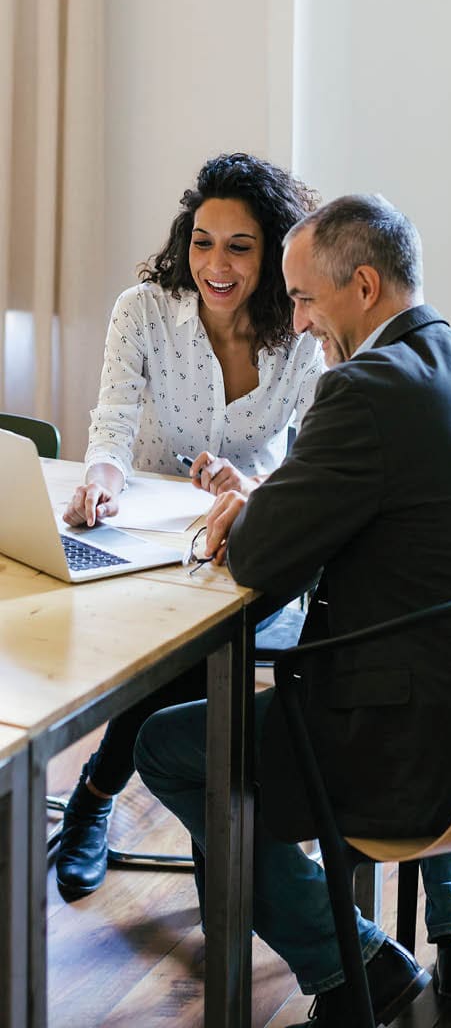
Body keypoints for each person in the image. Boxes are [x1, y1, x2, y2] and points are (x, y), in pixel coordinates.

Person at [135, 194, 451, 1026]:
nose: (297, 323)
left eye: (303, 298)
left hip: (399, 754)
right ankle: (445, 932)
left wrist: (254, 513)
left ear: (363, 287)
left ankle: (352, 964)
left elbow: (262, 559)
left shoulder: (366, 390)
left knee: (175, 747)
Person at [56, 152, 325, 898]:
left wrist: (257, 488)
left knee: (182, 658)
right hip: (146, 534)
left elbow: (317, 452)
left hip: (253, 538)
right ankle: (107, 803)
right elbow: (110, 425)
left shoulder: (302, 333)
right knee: (168, 651)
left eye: (239, 246)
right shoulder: (142, 310)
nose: (217, 263)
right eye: (203, 242)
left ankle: (93, 800)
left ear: (271, 253)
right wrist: (100, 485)